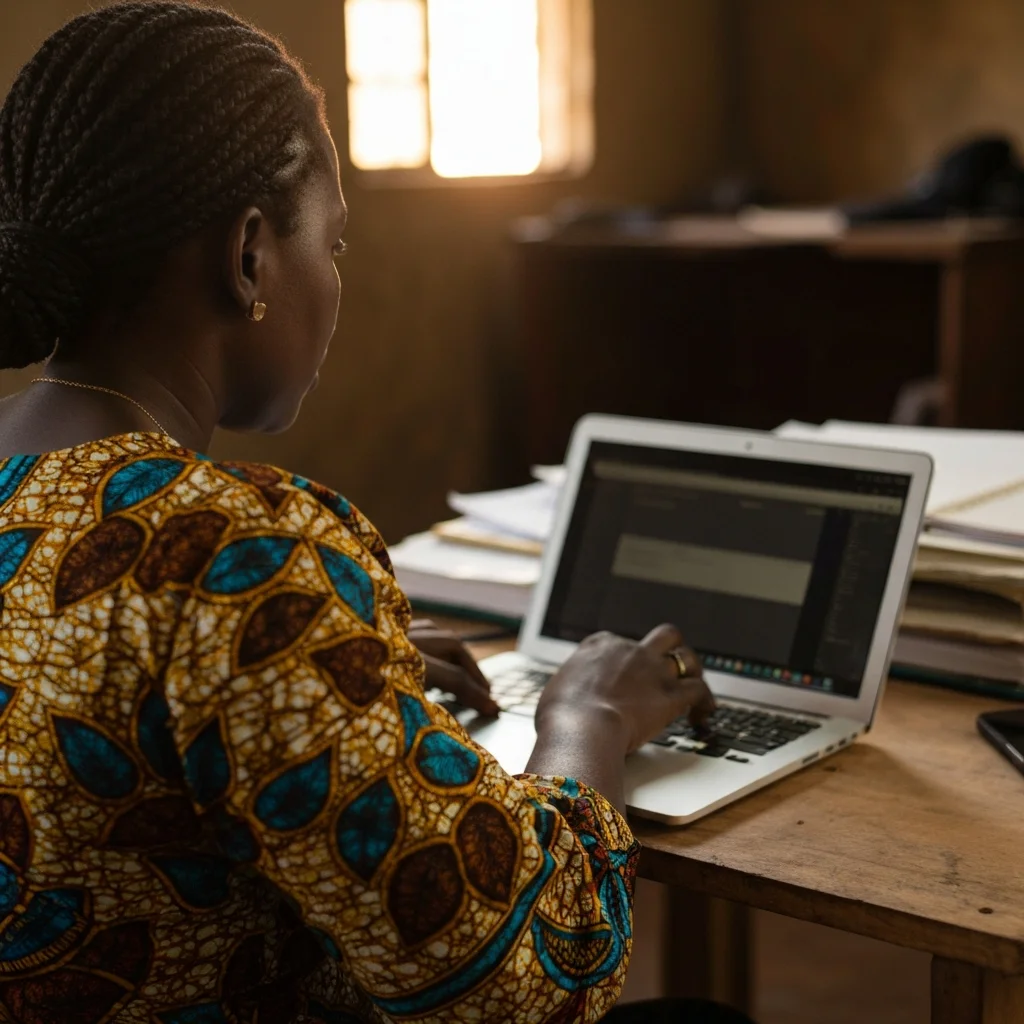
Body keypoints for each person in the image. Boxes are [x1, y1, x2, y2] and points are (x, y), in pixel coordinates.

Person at [0, 4, 755, 1022]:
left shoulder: (147, 550)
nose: (337, 279)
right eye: (337, 242)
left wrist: (338, 665)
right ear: (251, 257)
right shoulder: (238, 558)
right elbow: (519, 981)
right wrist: (590, 720)